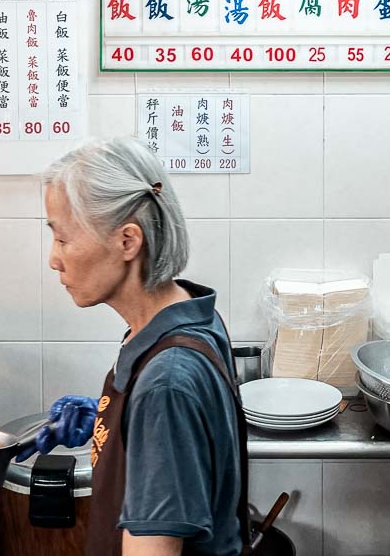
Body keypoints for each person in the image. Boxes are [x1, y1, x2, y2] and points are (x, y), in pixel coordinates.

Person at [22, 137, 249, 556]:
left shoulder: (166, 381)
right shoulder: (189, 313)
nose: (54, 259)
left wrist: (150, 416)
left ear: (128, 241)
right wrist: (117, 425)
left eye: (63, 239)